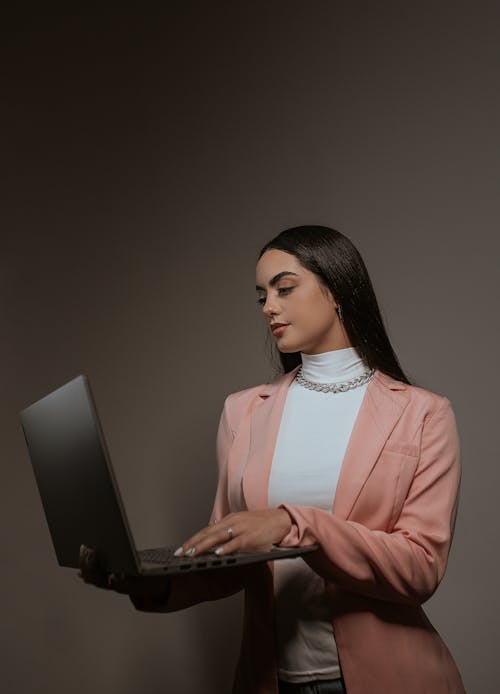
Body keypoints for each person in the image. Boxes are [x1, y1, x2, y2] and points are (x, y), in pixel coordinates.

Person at [80, 226, 466, 694]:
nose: (269, 307)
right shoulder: (243, 411)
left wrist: (290, 525)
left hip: (393, 679)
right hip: (270, 679)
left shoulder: (423, 414)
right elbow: (228, 558)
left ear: (338, 289)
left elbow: (420, 567)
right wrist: (143, 581)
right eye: (261, 295)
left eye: (284, 289)